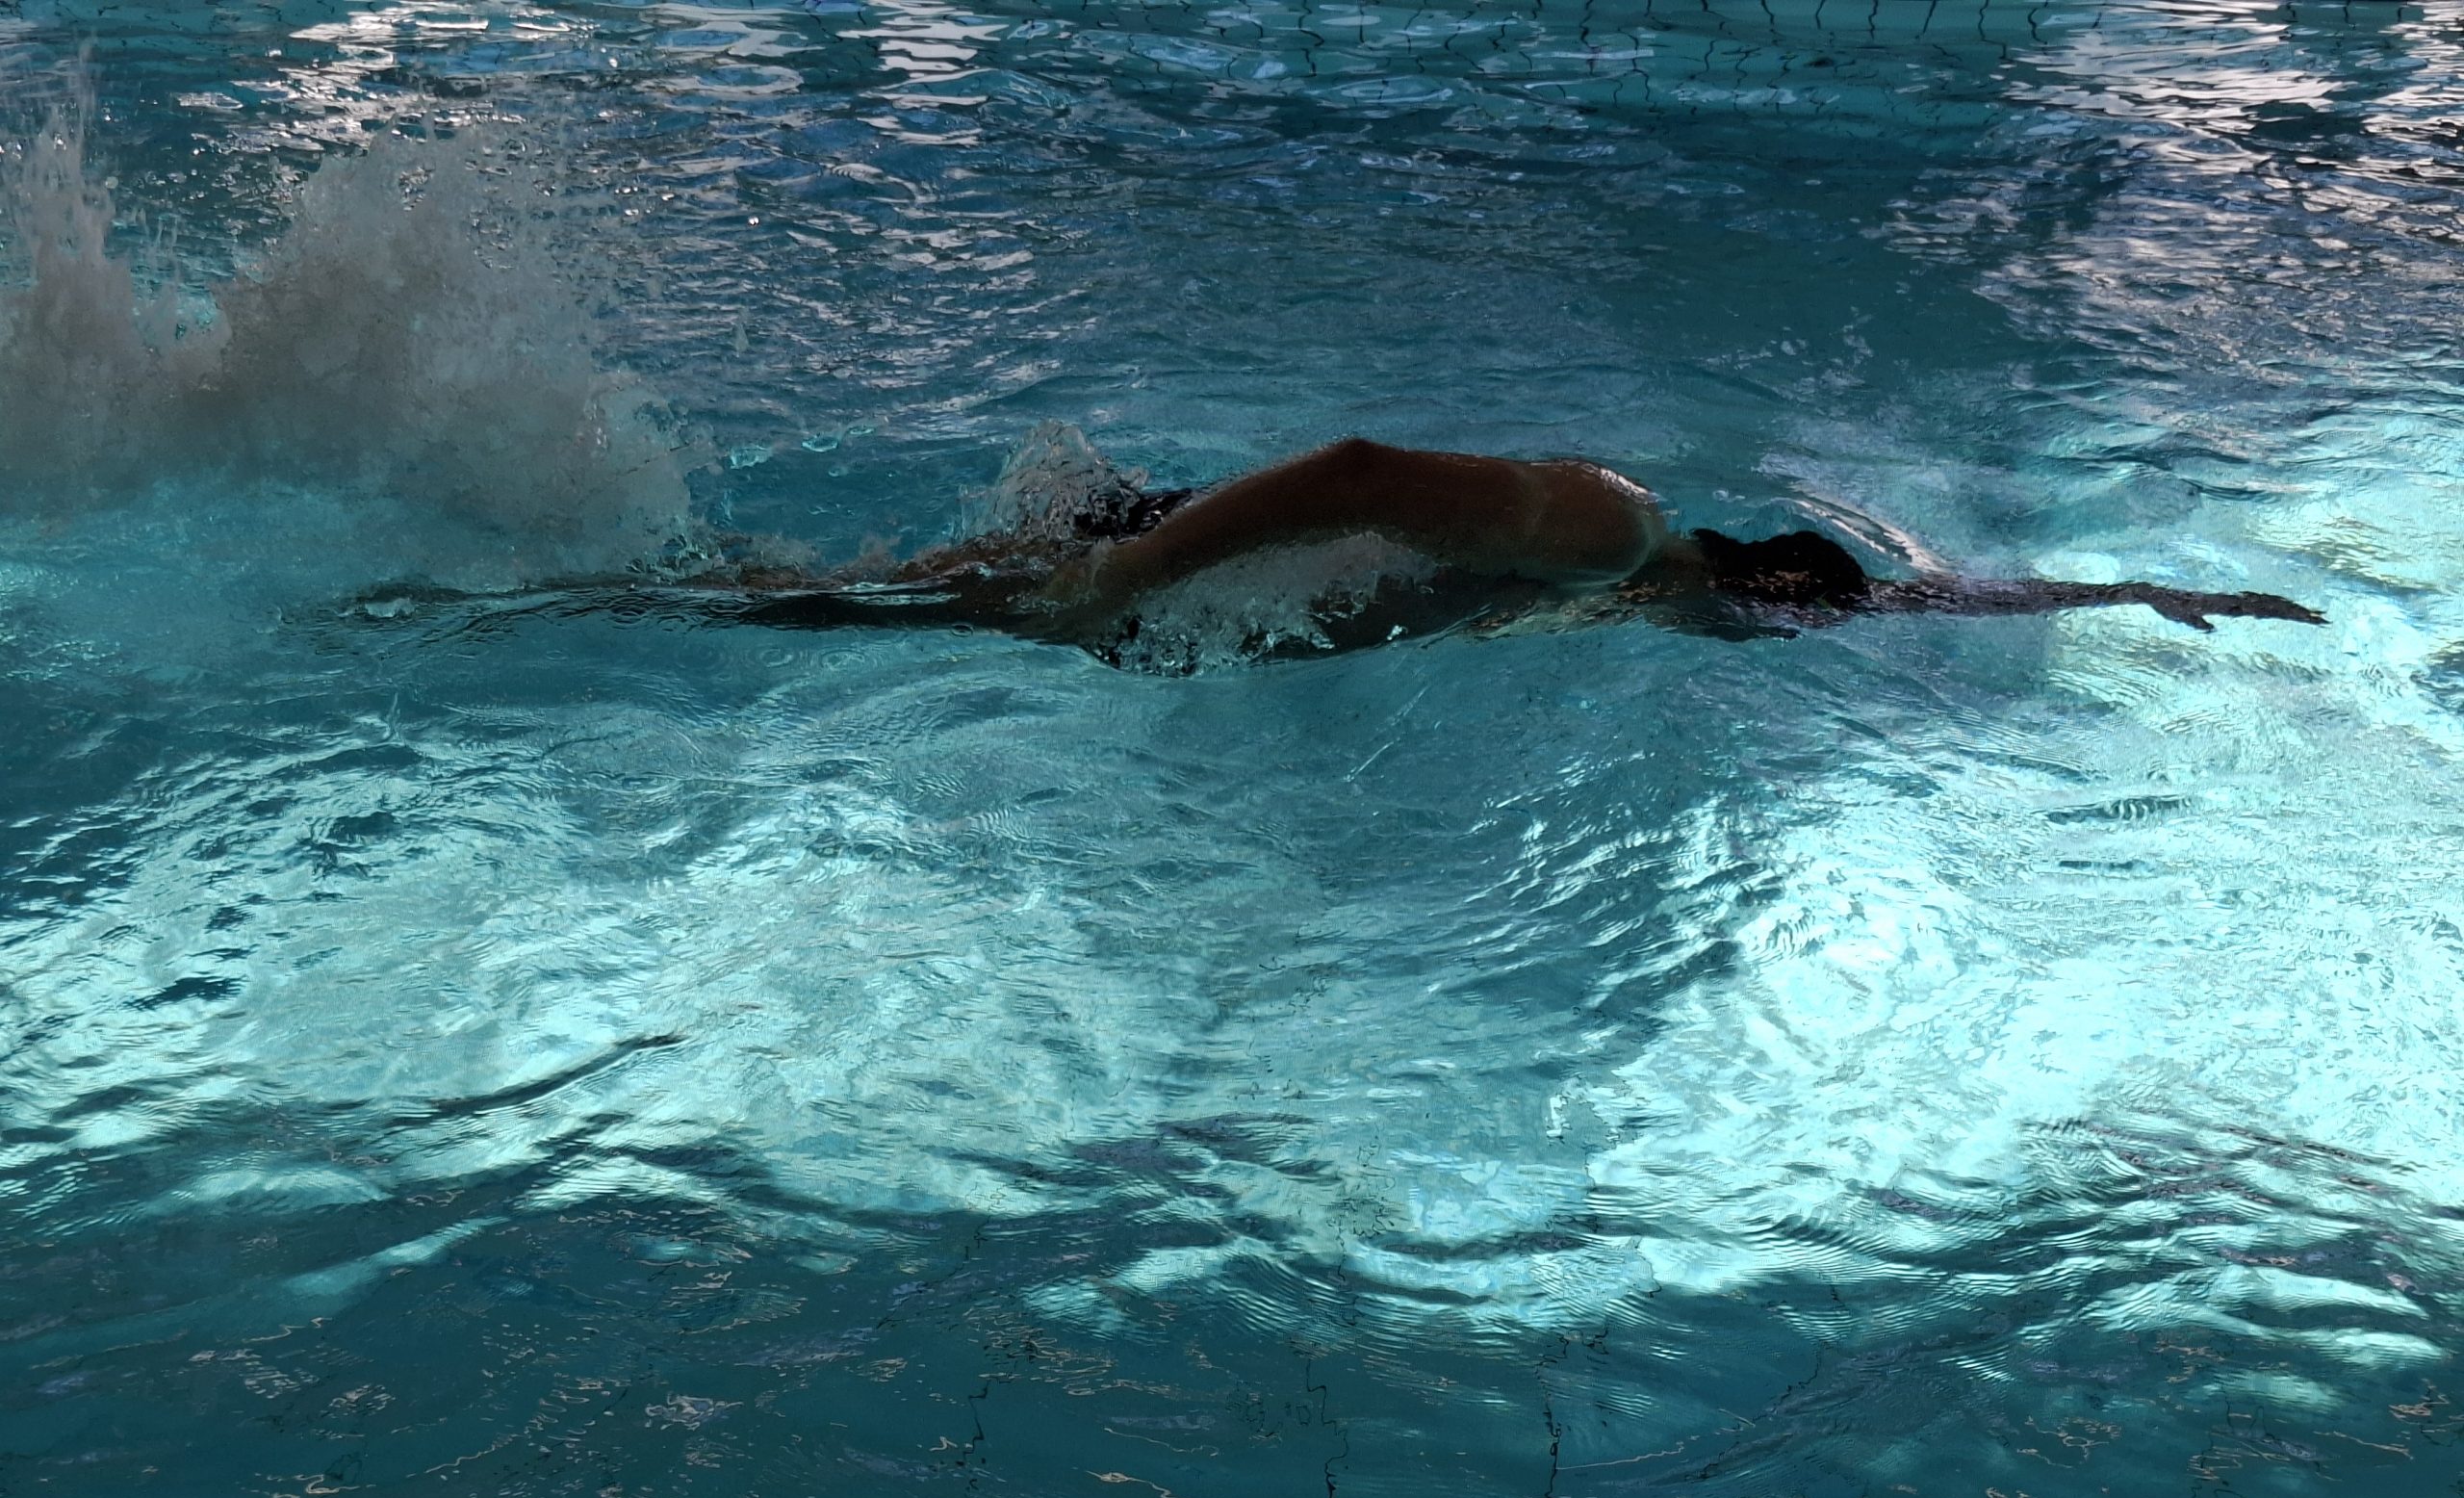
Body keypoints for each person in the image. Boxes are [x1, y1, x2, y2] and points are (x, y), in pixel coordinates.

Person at [386, 435, 2318, 664]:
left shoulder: (1647, 589)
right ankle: (458, 592)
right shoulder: (1608, 534)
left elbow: (1914, 598)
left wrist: (2139, 591)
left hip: (1171, 587)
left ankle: (543, 559)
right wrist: (1132, 579)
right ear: (1752, 592)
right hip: (1150, 555)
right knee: (795, 610)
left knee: (825, 604)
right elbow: (1353, 466)